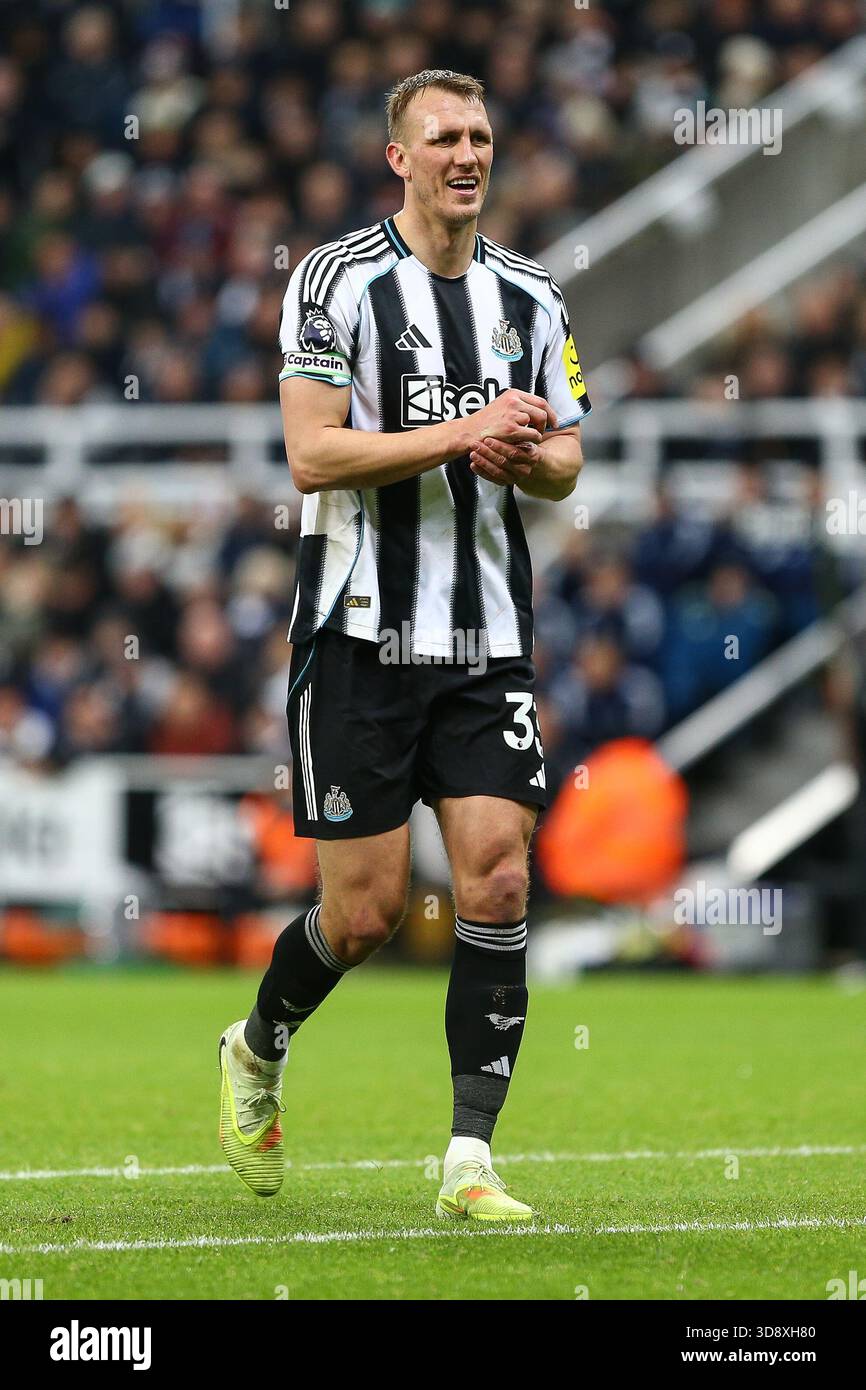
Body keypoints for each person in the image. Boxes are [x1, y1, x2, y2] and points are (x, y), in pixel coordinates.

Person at [218, 69, 590, 1222]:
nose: (465, 153)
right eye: (442, 137)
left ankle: (467, 1158)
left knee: (499, 873)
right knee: (367, 913)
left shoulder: (532, 297)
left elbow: (569, 458)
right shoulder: (331, 282)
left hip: (484, 641)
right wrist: (460, 431)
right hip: (358, 636)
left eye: (479, 135)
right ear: (399, 157)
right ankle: (256, 1045)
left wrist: (522, 457)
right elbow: (311, 456)